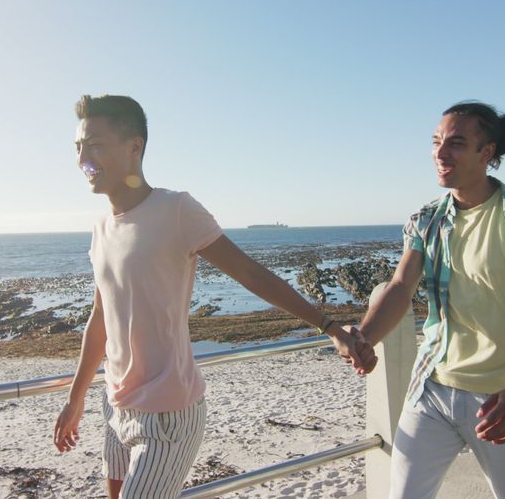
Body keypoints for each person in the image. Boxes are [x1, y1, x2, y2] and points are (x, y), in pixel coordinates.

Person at [53, 94, 374, 499]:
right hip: (115, 406)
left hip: (168, 413)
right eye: (78, 147)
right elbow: (100, 321)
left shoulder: (177, 210)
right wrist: (75, 399)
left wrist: (327, 326)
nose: (83, 158)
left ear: (134, 146)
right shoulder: (100, 228)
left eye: (95, 144)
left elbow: (249, 273)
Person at [354, 101, 505, 498]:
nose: (441, 153)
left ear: (486, 152)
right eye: (437, 141)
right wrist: (365, 338)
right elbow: (399, 287)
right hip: (432, 391)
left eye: (456, 143)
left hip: (502, 397)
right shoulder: (427, 220)